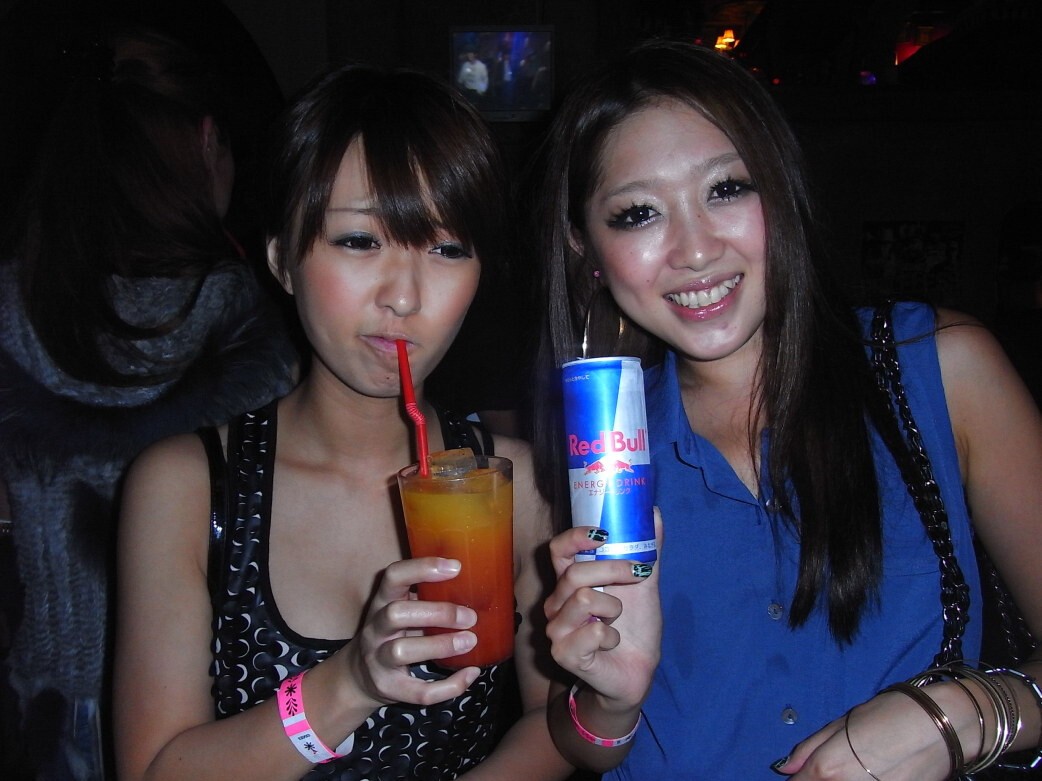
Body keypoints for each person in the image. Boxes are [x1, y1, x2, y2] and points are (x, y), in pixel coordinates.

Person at [532, 40, 1042, 780]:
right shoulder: (595, 450)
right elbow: (576, 739)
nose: (695, 250)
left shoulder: (940, 367)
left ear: (781, 192)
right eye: (639, 213)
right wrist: (611, 700)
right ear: (588, 251)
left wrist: (963, 715)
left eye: (727, 189)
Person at [112, 64, 573, 781]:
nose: (404, 296)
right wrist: (349, 684)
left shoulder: (508, 484)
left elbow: (555, 720)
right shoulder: (188, 486)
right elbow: (153, 769)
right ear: (282, 260)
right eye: (359, 241)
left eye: (448, 248)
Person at [0, 24, 296, 781]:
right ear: (208, 140)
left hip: (51, 701)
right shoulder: (254, 320)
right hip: (208, 711)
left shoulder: (10, 306)